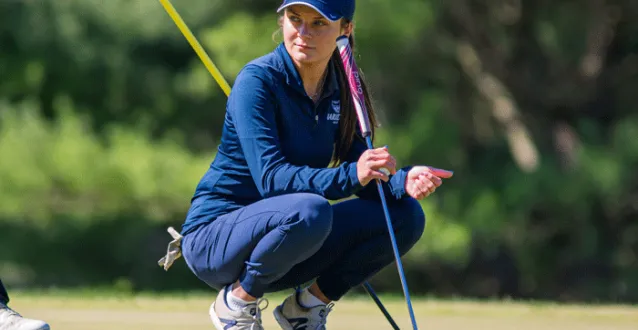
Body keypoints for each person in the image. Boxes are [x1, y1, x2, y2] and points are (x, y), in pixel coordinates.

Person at [178, 0, 453, 329]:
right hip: (215, 241)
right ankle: (236, 303)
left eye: (319, 23)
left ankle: (306, 308)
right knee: (312, 211)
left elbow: (361, 173)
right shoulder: (257, 81)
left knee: (405, 216)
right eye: (295, 20)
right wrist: (354, 173)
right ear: (283, 21)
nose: (303, 33)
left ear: (345, 29)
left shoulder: (345, 86)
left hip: (288, 242)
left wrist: (402, 181)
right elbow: (272, 179)